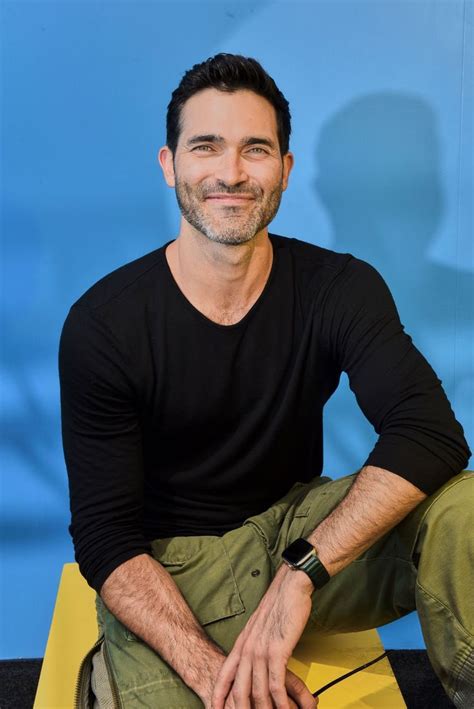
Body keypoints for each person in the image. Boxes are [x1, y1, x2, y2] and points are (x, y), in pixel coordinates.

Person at [59, 53, 472, 709]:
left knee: (464, 507)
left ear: (284, 169)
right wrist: (206, 668)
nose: (230, 172)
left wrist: (299, 573)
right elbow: (107, 537)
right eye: (206, 147)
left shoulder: (340, 287)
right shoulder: (104, 325)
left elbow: (430, 433)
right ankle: (118, 674)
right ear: (169, 166)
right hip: (171, 568)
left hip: (297, 536)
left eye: (256, 149)